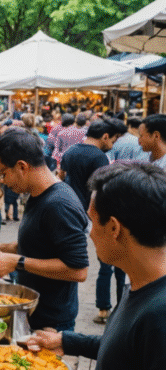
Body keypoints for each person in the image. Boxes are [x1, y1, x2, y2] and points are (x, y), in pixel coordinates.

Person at [26, 163, 166, 370]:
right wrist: (66, 340)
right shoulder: (141, 283)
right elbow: (127, 348)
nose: (88, 234)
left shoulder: (160, 313)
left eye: (92, 222)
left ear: (114, 228)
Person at [0, 128, 89, 331]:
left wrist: (17, 262)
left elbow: (78, 270)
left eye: (3, 173)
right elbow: (39, 244)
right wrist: (0, 248)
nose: (2, 181)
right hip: (32, 310)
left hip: (51, 321)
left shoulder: (59, 204)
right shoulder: (37, 193)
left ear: (22, 166)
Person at [60, 118, 127, 325]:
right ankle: (112, 309)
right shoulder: (99, 157)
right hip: (92, 214)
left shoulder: (70, 151)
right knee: (106, 262)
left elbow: (61, 176)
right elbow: (101, 190)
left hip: (71, 210)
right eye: (113, 140)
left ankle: (103, 308)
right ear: (105, 136)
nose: (113, 144)